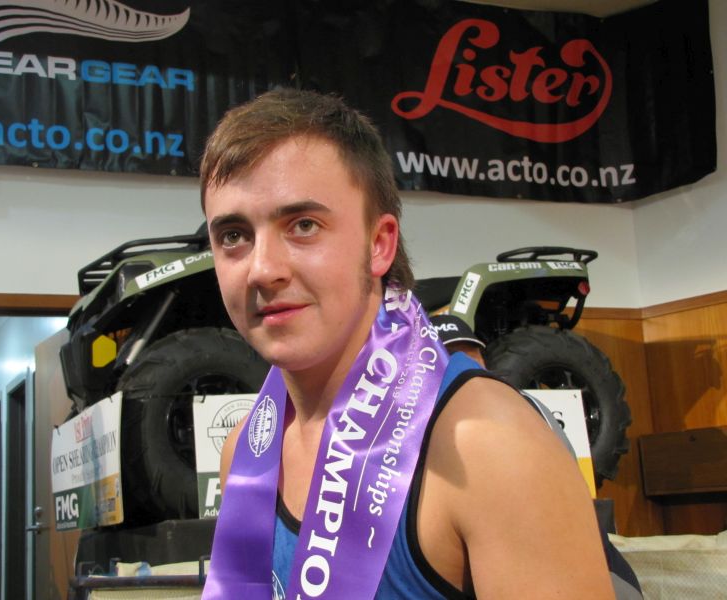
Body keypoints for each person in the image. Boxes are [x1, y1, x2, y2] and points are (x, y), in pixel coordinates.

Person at [199, 88, 621, 599]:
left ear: (380, 245)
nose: (263, 269)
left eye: (303, 225)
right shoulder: (245, 450)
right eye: (233, 236)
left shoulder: (487, 444)